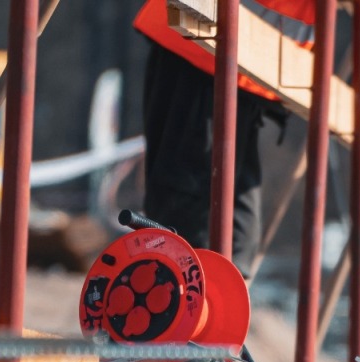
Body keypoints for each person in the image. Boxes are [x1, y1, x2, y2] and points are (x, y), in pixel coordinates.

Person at [131, 0, 314, 263]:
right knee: (186, 217)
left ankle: (213, 285)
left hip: (244, 63)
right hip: (201, 46)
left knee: (236, 237)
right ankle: (179, 283)